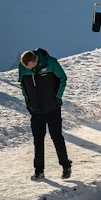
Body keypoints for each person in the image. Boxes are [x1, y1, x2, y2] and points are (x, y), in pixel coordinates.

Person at [18, 47, 72, 180]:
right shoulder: (23, 67)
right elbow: (23, 85)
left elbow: (63, 79)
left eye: (31, 67)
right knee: (38, 140)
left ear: (35, 59)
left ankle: (66, 166)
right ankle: (39, 171)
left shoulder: (51, 63)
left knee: (56, 137)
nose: (29, 70)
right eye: (27, 68)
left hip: (52, 109)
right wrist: (27, 102)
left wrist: (57, 97)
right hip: (36, 111)